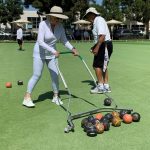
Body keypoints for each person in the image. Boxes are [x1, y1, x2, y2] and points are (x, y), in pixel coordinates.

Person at [22, 6, 78, 108]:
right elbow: (40, 41)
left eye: (59, 18)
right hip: (39, 53)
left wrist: (72, 48)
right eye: (56, 18)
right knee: (37, 75)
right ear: (51, 17)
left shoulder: (60, 26)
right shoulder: (43, 24)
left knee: (55, 75)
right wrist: (53, 51)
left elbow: (64, 40)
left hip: (52, 55)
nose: (58, 20)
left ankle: (56, 96)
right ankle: (27, 97)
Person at [83, 7, 113, 94]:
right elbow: (99, 37)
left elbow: (102, 36)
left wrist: (97, 47)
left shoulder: (98, 20)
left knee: (96, 66)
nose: (87, 19)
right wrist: (94, 46)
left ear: (91, 14)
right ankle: (106, 86)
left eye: (87, 16)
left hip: (104, 45)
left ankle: (100, 86)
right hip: (104, 44)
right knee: (103, 66)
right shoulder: (97, 21)